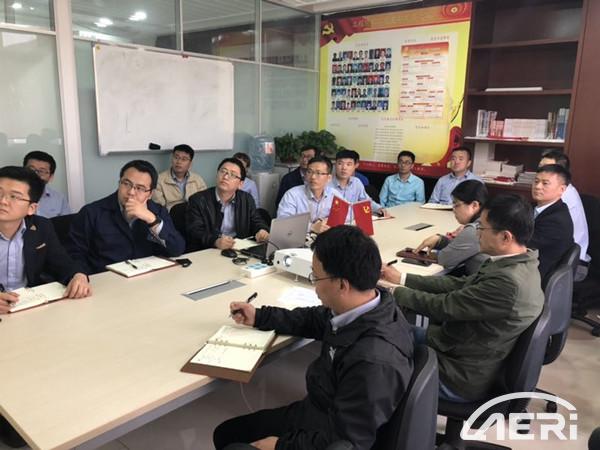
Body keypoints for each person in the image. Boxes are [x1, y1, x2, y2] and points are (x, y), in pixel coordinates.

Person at [214, 226, 414, 450]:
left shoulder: (374, 360)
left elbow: (346, 442)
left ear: (342, 285)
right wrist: (259, 316)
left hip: (328, 432)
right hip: (319, 411)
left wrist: (280, 446)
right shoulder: (366, 304)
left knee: (232, 443)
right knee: (226, 434)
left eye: (316, 277)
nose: (314, 284)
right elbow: (311, 319)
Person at [381, 194, 544, 402]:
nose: (476, 233)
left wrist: (393, 291)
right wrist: (402, 278)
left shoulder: (508, 282)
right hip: (460, 347)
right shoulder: (519, 262)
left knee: (375, 356)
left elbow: (444, 307)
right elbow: (459, 284)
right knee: (388, 333)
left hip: (458, 374)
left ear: (506, 237)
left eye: (481, 228)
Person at [67, 160, 185, 274]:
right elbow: (74, 253)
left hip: (147, 278)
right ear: (119, 183)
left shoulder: (157, 211)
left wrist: (152, 220)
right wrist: (81, 274)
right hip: (107, 279)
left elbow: (177, 249)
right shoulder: (92, 212)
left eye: (140, 188)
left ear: (150, 194)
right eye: (126, 184)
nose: (131, 192)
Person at [0, 166, 91, 314]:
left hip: (27, 306)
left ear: (31, 208)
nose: (3, 201)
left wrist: (78, 275)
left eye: (14, 197)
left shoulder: (41, 227)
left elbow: (62, 262)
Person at [186, 158, 269, 251]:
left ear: (240, 184)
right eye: (223, 171)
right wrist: (215, 241)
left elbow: (256, 220)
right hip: (209, 249)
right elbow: (195, 231)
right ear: (216, 174)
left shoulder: (246, 199)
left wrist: (261, 230)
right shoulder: (198, 200)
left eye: (232, 175)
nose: (225, 177)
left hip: (238, 249)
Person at [414, 180, 489, 275]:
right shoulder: (486, 223)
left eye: (456, 204)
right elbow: (460, 245)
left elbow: (444, 259)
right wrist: (440, 240)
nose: (453, 209)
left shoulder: (474, 230)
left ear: (474, 205)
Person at [539, 149, 590, 279]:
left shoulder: (561, 197)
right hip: (560, 257)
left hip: (570, 266)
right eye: (540, 167)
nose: (541, 171)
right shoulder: (565, 190)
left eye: (548, 168)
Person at [529, 164, 574, 284]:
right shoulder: (534, 207)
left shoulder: (557, 220)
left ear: (562, 189)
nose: (537, 186)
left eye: (545, 183)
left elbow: (525, 245)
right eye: (536, 181)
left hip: (536, 275)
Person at [277, 156, 342, 234]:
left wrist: (329, 221)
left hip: (326, 238)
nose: (313, 177)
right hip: (298, 238)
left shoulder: (335, 195)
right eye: (309, 172)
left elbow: (345, 217)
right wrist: (312, 227)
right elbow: (283, 222)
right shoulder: (292, 195)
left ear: (329, 178)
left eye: (318, 173)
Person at [330, 149, 386, 217]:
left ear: (355, 166)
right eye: (340, 163)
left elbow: (366, 201)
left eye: (348, 164)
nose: (344, 167)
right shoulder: (326, 184)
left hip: (352, 221)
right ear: (335, 164)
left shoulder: (356, 182)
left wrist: (379, 208)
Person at [152, 144, 207, 211]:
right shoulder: (159, 180)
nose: (179, 162)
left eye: (184, 159)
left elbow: (204, 202)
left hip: (194, 214)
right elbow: (159, 207)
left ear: (190, 163)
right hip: (170, 215)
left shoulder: (197, 179)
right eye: (176, 157)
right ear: (172, 159)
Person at [23, 150, 71, 218]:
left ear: (51, 177)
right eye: (31, 169)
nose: (35, 174)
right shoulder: (12, 194)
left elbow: (66, 223)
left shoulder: (59, 199)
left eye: (41, 171)